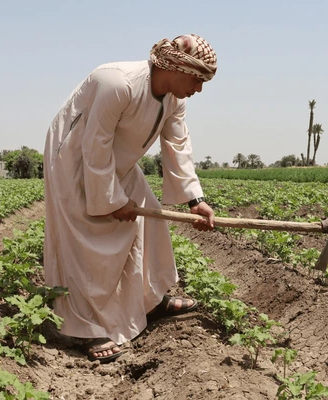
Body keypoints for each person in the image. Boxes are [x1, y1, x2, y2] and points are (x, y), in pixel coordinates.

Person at [43, 34, 217, 363]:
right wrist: (111, 200)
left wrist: (196, 200)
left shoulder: (175, 101)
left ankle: (152, 299)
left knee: (149, 214)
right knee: (85, 241)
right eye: (197, 80)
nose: (198, 90)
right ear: (177, 67)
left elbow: (178, 147)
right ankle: (88, 329)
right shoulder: (117, 83)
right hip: (72, 158)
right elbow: (94, 145)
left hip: (117, 160)